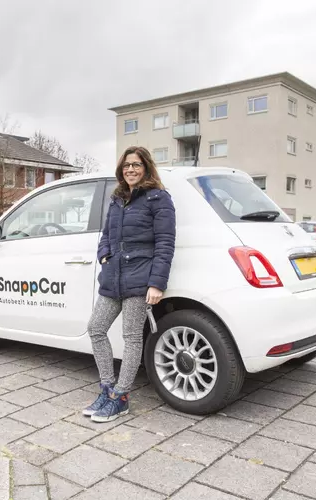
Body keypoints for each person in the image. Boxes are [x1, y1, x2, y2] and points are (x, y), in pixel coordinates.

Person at [83, 145, 176, 423]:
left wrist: (157, 283)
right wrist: (104, 255)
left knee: (132, 337)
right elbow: (106, 234)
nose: (131, 170)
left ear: (146, 167)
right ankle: (107, 388)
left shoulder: (158, 199)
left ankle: (121, 398)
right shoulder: (117, 198)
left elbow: (165, 243)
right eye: (126, 165)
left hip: (140, 278)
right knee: (96, 328)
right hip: (114, 276)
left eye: (136, 165)